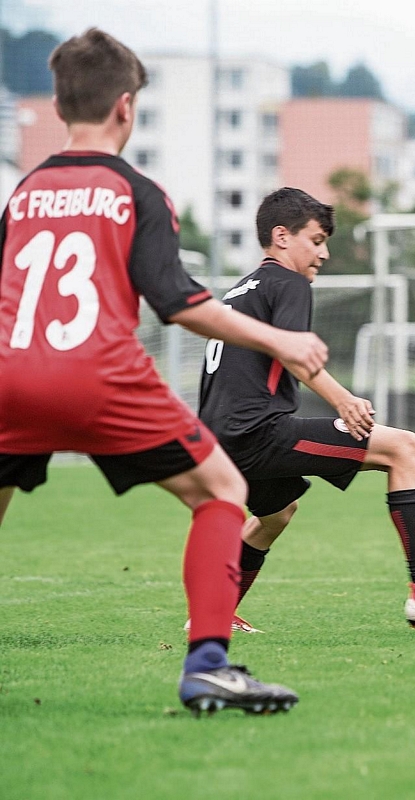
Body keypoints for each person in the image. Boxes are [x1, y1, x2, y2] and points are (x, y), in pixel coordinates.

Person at [0, 28, 327, 714]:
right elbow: (179, 304)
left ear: (58, 106)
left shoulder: (24, 191)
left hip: (11, 376)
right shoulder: (135, 190)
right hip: (97, 375)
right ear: (127, 106)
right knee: (222, 489)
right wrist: (281, 340)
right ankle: (208, 666)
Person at [194, 187, 415, 632]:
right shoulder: (288, 282)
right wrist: (343, 399)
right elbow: (293, 353)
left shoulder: (239, 291)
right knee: (402, 447)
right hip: (254, 434)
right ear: (281, 237)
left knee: (276, 514)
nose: (323, 253)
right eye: (316, 240)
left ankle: (212, 613)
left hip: (218, 441)